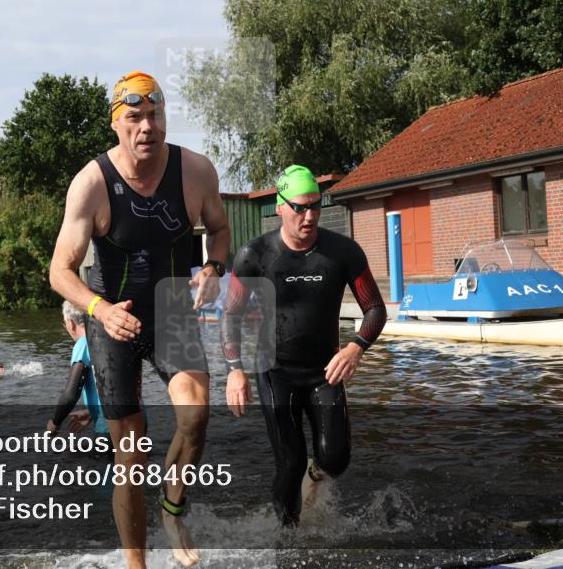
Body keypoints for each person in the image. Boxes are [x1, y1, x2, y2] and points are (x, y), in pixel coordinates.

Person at [49, 70, 230, 569]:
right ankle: (137, 564)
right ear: (116, 125)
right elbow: (59, 272)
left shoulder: (195, 172)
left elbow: (218, 229)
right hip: (112, 320)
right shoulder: (91, 183)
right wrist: (99, 310)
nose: (146, 126)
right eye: (134, 117)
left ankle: (173, 510)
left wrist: (214, 267)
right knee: (130, 453)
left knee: (195, 416)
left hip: (172, 311)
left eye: (155, 115)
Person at [221, 165, 387, 526]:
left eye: (315, 206)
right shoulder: (255, 255)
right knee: (290, 461)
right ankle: (289, 537)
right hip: (274, 372)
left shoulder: (342, 252)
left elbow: (375, 308)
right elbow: (230, 315)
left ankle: (314, 478)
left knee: (336, 459)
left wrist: (356, 347)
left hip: (324, 371)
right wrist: (234, 371)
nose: (308, 215)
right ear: (279, 207)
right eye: (299, 207)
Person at [47, 301, 110, 439]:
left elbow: (71, 394)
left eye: (64, 324)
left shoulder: (83, 343)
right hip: (137, 419)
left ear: (70, 323)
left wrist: (55, 422)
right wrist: (91, 412)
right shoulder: (106, 337)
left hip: (109, 426)